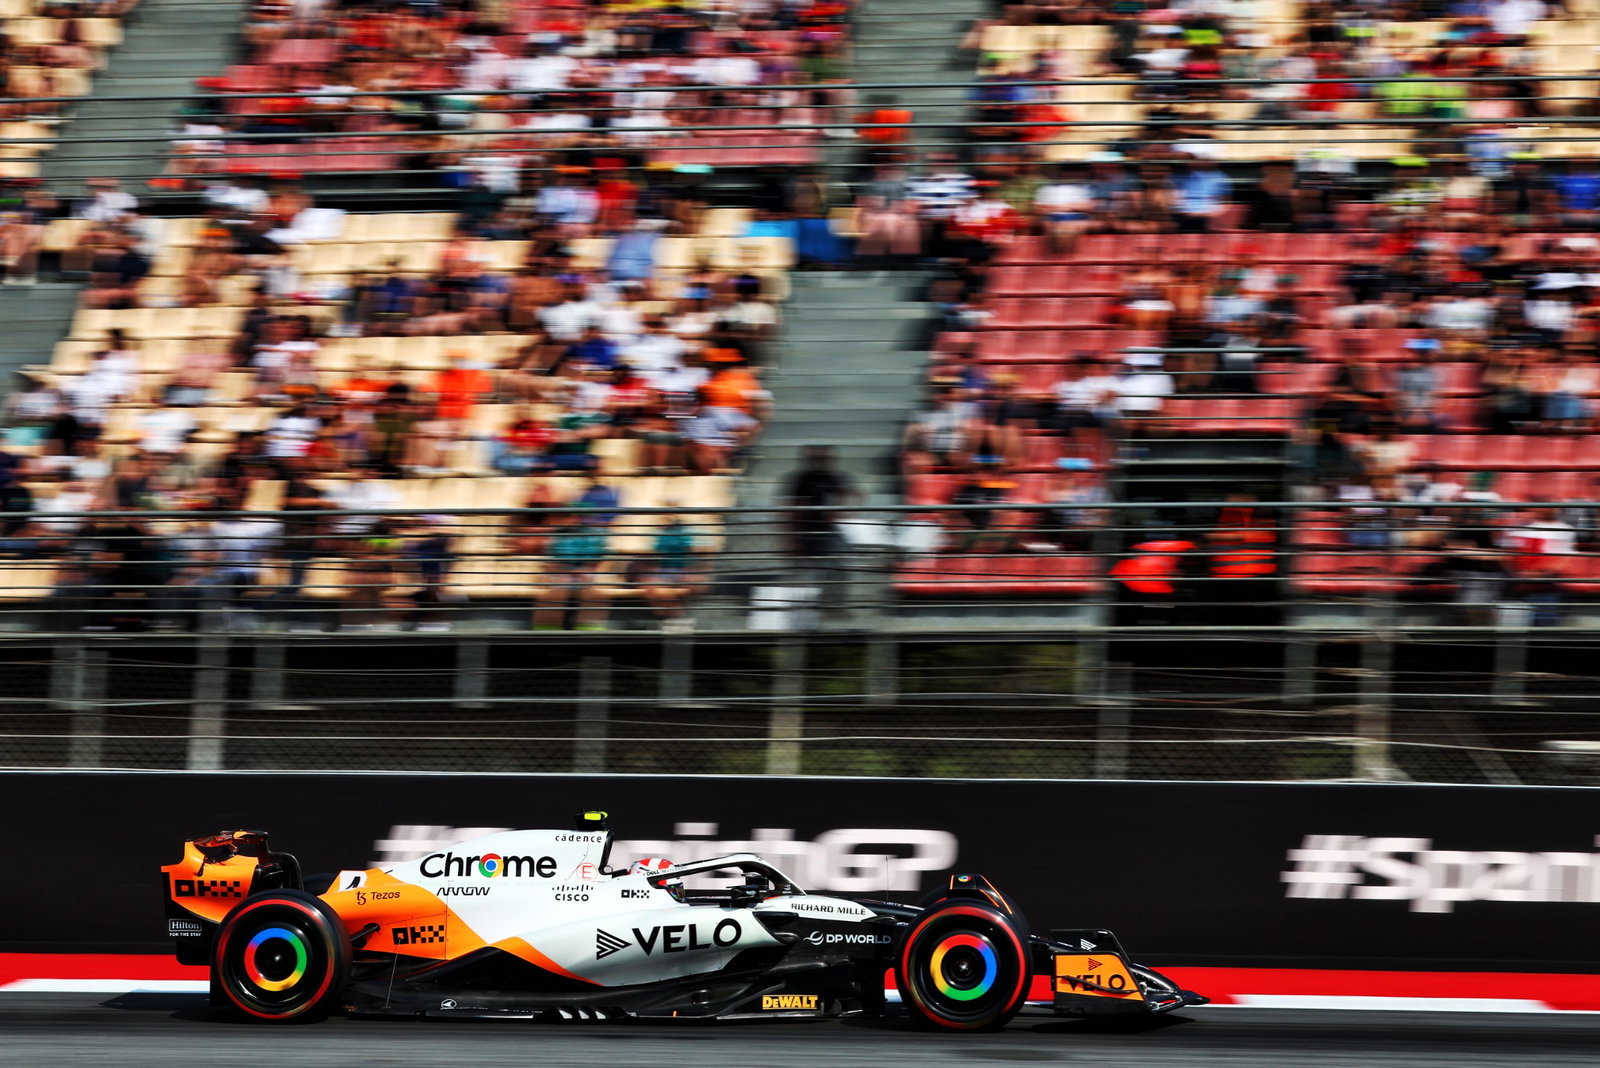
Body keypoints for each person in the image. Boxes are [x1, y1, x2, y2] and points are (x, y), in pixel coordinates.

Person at [784, 445, 858, 557]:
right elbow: (794, 508)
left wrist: (844, 514)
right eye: (815, 458)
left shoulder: (836, 477)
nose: (819, 462)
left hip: (829, 529)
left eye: (823, 459)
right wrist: (793, 537)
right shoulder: (803, 479)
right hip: (809, 528)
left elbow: (855, 494)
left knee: (832, 561)